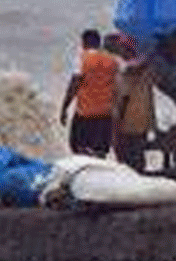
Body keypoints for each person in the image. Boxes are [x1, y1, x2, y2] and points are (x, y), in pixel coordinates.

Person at [59, 29, 119, 157]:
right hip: (105, 114)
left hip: (85, 114)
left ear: (84, 43)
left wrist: (64, 108)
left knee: (79, 150)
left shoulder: (83, 59)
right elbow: (118, 87)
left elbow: (74, 85)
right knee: (100, 152)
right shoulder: (113, 61)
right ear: (99, 43)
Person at [112, 35, 156, 172]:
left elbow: (123, 98)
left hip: (127, 122)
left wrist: (116, 122)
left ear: (126, 49)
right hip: (143, 122)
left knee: (125, 159)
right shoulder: (147, 69)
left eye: (121, 48)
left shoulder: (126, 71)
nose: (119, 51)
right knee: (138, 156)